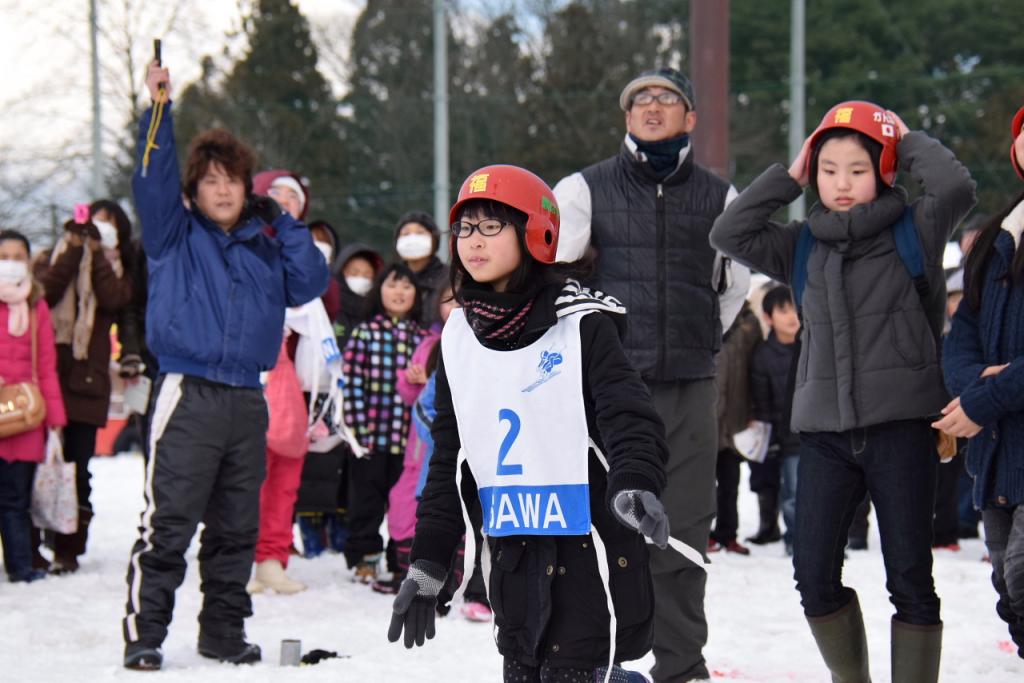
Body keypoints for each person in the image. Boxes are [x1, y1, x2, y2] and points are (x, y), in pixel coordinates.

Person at [711, 100, 975, 682]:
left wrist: (904, 137)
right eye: (828, 170)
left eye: (858, 169)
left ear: (883, 169)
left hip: (902, 428)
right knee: (813, 576)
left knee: (909, 578)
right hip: (824, 435)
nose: (842, 183)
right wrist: (791, 175)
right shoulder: (801, 244)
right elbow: (728, 232)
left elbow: (956, 187)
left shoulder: (916, 229)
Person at [388, 165, 669, 683]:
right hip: (515, 562)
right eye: (464, 227)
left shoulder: (581, 324)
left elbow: (629, 415)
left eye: (490, 225)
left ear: (534, 233)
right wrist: (428, 565)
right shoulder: (459, 338)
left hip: (588, 550)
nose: (473, 240)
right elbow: (449, 461)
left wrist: (636, 481)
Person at [120, 60, 329, 671]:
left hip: (246, 398)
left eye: (232, 179)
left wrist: (281, 220)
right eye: (210, 180)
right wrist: (159, 110)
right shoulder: (173, 234)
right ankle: (145, 634)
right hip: (188, 393)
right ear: (194, 189)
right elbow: (152, 177)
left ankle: (222, 632)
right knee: (169, 522)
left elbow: (310, 280)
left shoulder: (267, 247)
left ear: (247, 188)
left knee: (237, 526)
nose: (222, 190)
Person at [553, 67, 749, 683]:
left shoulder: (722, 196)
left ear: (690, 117)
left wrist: (697, 340)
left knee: (683, 533)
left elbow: (734, 288)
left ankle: (682, 667)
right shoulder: (582, 189)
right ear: (627, 116)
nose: (653, 106)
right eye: (640, 99)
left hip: (691, 387)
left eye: (667, 98)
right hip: (608, 391)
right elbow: (554, 278)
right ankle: (600, 663)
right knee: (602, 530)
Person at [938, 104, 1024, 659]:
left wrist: (986, 396)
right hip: (1000, 449)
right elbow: (962, 329)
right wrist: (972, 384)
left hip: (995, 417)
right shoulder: (998, 236)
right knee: (1010, 592)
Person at [36, 199, 133, 573]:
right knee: (37, 466)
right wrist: (76, 249)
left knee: (77, 468)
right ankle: (32, 543)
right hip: (47, 376)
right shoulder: (55, 255)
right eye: (94, 221)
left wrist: (98, 256)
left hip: (88, 383)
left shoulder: (119, 269)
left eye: (108, 223)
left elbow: (114, 299)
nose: (99, 228)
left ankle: (68, 548)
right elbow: (46, 292)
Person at [294, 238, 383, 557]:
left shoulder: (376, 313)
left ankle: (341, 529)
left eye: (367, 274)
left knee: (350, 469)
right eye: (353, 271)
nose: (360, 278)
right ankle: (312, 529)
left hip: (362, 400)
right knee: (316, 464)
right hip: (323, 395)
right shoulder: (328, 308)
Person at [342, 262, 424, 581]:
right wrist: (358, 431)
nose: (399, 292)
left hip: (409, 442)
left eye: (406, 286)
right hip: (371, 437)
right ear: (379, 291)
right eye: (392, 285)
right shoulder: (365, 333)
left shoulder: (423, 337)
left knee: (404, 502)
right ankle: (365, 557)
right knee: (367, 501)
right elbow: (351, 383)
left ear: (416, 294)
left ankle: (398, 557)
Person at [0, 230, 66, 583]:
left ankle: (21, 567)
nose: (10, 264)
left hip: (26, 416)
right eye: (3, 257)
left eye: (17, 257)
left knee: (16, 499)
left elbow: (47, 366)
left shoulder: (36, 305)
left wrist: (54, 420)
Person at [749, 285, 801, 556]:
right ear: (768, 318)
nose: (792, 316)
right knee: (793, 494)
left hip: (819, 434)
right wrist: (770, 441)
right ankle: (795, 540)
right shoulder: (763, 356)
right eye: (783, 311)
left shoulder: (812, 347)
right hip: (788, 440)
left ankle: (825, 542)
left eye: (795, 309)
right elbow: (762, 404)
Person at [708, 302, 761, 555]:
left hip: (735, 420)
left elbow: (757, 368)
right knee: (701, 485)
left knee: (730, 484)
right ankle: (702, 534)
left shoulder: (749, 324)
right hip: (705, 419)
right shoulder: (703, 314)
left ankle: (728, 534)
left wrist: (753, 411)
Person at [394, 211, 448, 326]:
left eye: (420, 233)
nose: (412, 239)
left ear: (434, 239)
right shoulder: (390, 279)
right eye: (406, 234)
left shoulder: (450, 278)